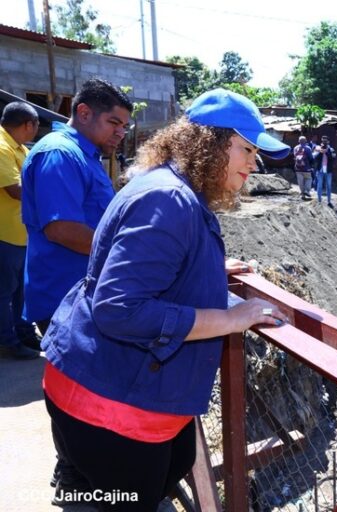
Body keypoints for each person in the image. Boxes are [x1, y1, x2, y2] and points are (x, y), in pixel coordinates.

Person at [41, 88, 292, 511]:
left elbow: (156, 265)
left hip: (101, 383)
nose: (254, 163)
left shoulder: (168, 187)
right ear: (210, 144)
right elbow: (120, 308)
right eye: (246, 149)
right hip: (109, 403)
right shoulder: (170, 200)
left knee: (173, 462)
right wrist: (233, 319)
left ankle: (78, 490)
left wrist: (208, 270)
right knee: (137, 492)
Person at [21, 78, 133, 501]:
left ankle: (72, 469)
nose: (120, 132)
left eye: (123, 125)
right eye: (113, 122)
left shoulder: (84, 154)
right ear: (83, 112)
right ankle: (76, 481)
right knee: (77, 394)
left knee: (80, 391)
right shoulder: (60, 155)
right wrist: (127, 255)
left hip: (82, 289)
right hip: (65, 292)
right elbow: (62, 227)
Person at [0, 101, 40, 359]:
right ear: (28, 124)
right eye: (36, 127)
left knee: (20, 291)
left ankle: (22, 332)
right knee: (4, 293)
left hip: (20, 232)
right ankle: (7, 341)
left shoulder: (19, 148)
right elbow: (15, 190)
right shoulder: (2, 147)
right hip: (5, 234)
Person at [314, 135, 336, 207]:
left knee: (328, 186)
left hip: (328, 170)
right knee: (319, 185)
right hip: (320, 170)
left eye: (325, 141)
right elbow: (315, 158)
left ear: (328, 142)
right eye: (323, 141)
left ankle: (329, 201)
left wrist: (326, 152)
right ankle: (319, 200)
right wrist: (321, 152)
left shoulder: (331, 149)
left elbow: (333, 158)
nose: (324, 143)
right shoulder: (317, 148)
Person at [293, 135, 313, 200]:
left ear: (299, 141)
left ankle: (302, 194)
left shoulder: (295, 148)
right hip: (306, 168)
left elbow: (295, 156)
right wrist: (311, 165)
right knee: (308, 179)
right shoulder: (308, 148)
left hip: (298, 168)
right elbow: (311, 158)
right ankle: (307, 191)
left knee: (300, 182)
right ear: (306, 141)